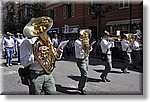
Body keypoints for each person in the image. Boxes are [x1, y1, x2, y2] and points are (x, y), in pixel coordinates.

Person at [20, 17, 63, 95]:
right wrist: (37, 54)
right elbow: (23, 62)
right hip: (35, 76)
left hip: (48, 74)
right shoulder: (26, 42)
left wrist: (58, 54)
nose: (41, 31)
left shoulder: (48, 40)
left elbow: (53, 55)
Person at [74, 29, 93, 95]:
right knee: (85, 75)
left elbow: (89, 50)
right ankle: (81, 88)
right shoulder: (77, 42)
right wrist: (84, 44)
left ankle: (80, 86)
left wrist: (89, 46)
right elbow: (81, 51)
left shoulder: (85, 41)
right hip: (81, 60)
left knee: (84, 74)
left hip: (86, 59)